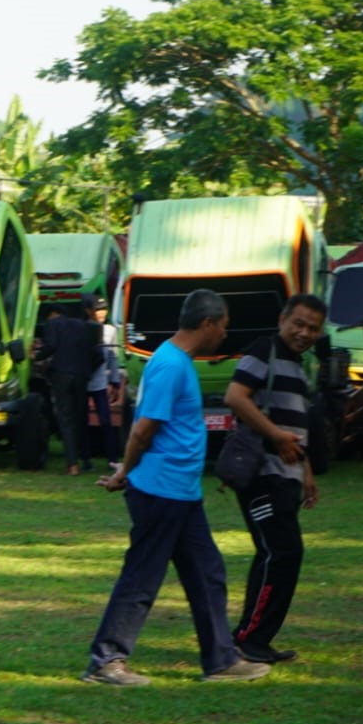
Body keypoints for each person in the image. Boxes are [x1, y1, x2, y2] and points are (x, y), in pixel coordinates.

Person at [81, 288, 270, 685]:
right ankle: (106, 662)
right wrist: (124, 473)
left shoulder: (175, 361)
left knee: (207, 572)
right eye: (222, 326)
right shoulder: (169, 364)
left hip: (180, 493)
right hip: (160, 491)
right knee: (142, 577)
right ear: (207, 323)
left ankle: (220, 661)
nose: (224, 334)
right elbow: (143, 429)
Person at [224, 293, 326, 664]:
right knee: (279, 552)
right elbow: (235, 397)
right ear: (283, 319)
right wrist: (276, 436)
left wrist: (306, 471)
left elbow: (294, 425)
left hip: (286, 474)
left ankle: (255, 639)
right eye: (298, 323)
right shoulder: (262, 349)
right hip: (261, 473)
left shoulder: (299, 365)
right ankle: (247, 639)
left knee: (281, 553)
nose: (304, 332)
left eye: (312, 328)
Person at [39, 303, 96, 475]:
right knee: (81, 417)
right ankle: (86, 459)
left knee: (65, 418)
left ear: (52, 314)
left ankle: (72, 465)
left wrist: (36, 355)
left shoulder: (52, 324)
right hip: (81, 375)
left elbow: (51, 346)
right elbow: (93, 349)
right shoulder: (82, 325)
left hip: (62, 374)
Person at [82, 295, 123, 466]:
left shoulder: (110, 331)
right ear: (88, 311)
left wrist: (114, 381)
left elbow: (113, 358)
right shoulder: (81, 328)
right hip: (83, 381)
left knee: (106, 421)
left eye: (104, 309)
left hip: (100, 382)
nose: (101, 313)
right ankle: (85, 458)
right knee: (82, 421)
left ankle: (112, 459)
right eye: (97, 309)